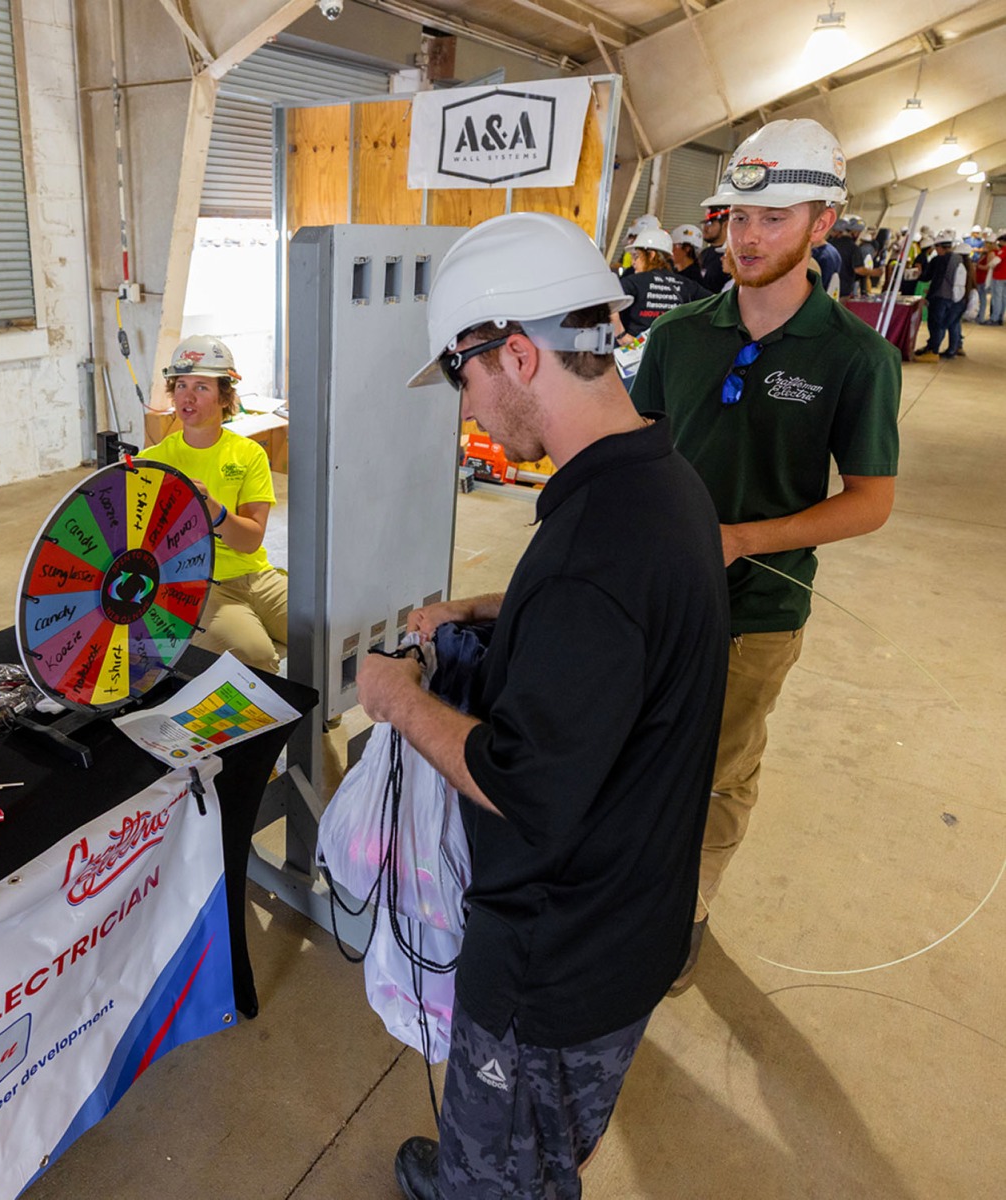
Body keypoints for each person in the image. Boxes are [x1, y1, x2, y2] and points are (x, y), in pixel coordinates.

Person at [364, 212, 729, 1200]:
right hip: (632, 915)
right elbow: (617, 631)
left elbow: (522, 787)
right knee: (543, 1134)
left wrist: (398, 699)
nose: (467, 408)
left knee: (512, 1164)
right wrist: (488, 608)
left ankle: (481, 1178)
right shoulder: (658, 483)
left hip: (555, 952)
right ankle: (484, 1161)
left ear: (517, 354)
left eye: (462, 376)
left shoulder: (590, 555)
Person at [630, 118, 901, 994]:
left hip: (757, 613)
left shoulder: (856, 356)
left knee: (718, 769)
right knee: (634, 751)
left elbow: (869, 502)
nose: (745, 237)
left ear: (822, 223)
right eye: (736, 217)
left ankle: (684, 911)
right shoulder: (676, 337)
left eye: (772, 219)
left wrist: (742, 539)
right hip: (653, 597)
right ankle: (625, 892)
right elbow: (639, 447)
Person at [139, 335, 286, 674]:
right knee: (257, 656)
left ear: (224, 396)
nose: (187, 397)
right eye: (181, 385)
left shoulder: (248, 454)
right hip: (199, 586)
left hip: (257, 576)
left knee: (322, 632)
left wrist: (213, 511)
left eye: (201, 387)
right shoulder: (154, 462)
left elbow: (250, 540)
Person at [613, 227, 710, 341]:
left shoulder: (632, 282)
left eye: (636, 256)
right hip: (671, 348)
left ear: (651, 255)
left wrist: (621, 336)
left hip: (635, 349)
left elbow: (608, 305)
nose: (633, 262)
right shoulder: (686, 284)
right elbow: (715, 303)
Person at [913, 231, 967, 360]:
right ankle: (953, 349)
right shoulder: (958, 259)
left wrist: (919, 274)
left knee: (936, 324)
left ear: (939, 247)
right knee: (952, 324)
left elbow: (929, 278)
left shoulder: (937, 260)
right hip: (955, 298)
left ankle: (933, 351)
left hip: (939, 297)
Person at [699, 204, 733, 292]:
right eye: (705, 223)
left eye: (710, 223)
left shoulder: (732, 256)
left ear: (726, 225)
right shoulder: (704, 253)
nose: (705, 228)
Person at [983, 241, 1006, 325]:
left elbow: (996, 261)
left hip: (999, 277)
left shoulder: (1003, 250)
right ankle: (1000, 317)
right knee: (1003, 298)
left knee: (997, 298)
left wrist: (989, 265)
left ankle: (994, 318)